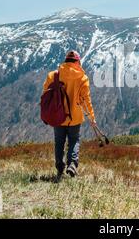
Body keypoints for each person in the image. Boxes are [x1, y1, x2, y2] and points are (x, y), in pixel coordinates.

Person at [42, 50, 96, 183]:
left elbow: (45, 94)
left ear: (65, 61)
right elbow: (86, 100)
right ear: (77, 62)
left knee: (59, 141)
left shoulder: (53, 75)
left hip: (57, 116)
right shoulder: (83, 78)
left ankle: (60, 168)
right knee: (74, 140)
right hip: (74, 117)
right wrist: (92, 118)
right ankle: (72, 165)